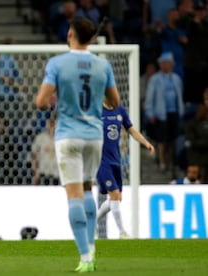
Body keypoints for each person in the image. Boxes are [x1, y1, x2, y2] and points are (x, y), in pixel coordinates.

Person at [35, 17, 120, 272]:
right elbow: (114, 102)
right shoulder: (102, 65)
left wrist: (59, 94)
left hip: (68, 135)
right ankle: (92, 248)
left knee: (73, 194)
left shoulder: (58, 64)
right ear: (92, 39)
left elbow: (41, 102)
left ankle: (85, 257)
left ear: (70, 34)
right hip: (95, 135)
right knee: (87, 189)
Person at [96, 100, 155, 239]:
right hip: (101, 160)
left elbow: (132, 130)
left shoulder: (120, 110)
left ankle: (91, 224)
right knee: (115, 195)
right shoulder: (96, 110)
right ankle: (122, 232)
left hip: (116, 160)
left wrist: (146, 143)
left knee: (117, 198)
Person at [145, 52, 184, 173]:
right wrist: (150, 113)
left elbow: (180, 95)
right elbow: (150, 97)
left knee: (173, 139)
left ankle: (171, 162)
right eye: (163, 63)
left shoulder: (176, 78)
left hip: (174, 112)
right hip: (161, 113)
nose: (165, 66)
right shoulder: (155, 79)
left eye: (167, 63)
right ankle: (162, 162)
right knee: (162, 140)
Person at [31, 118, 59, 185]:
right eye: (51, 124)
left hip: (56, 174)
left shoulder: (61, 139)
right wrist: (35, 173)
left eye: (54, 124)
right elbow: (34, 156)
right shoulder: (40, 138)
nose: (53, 126)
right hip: (43, 173)